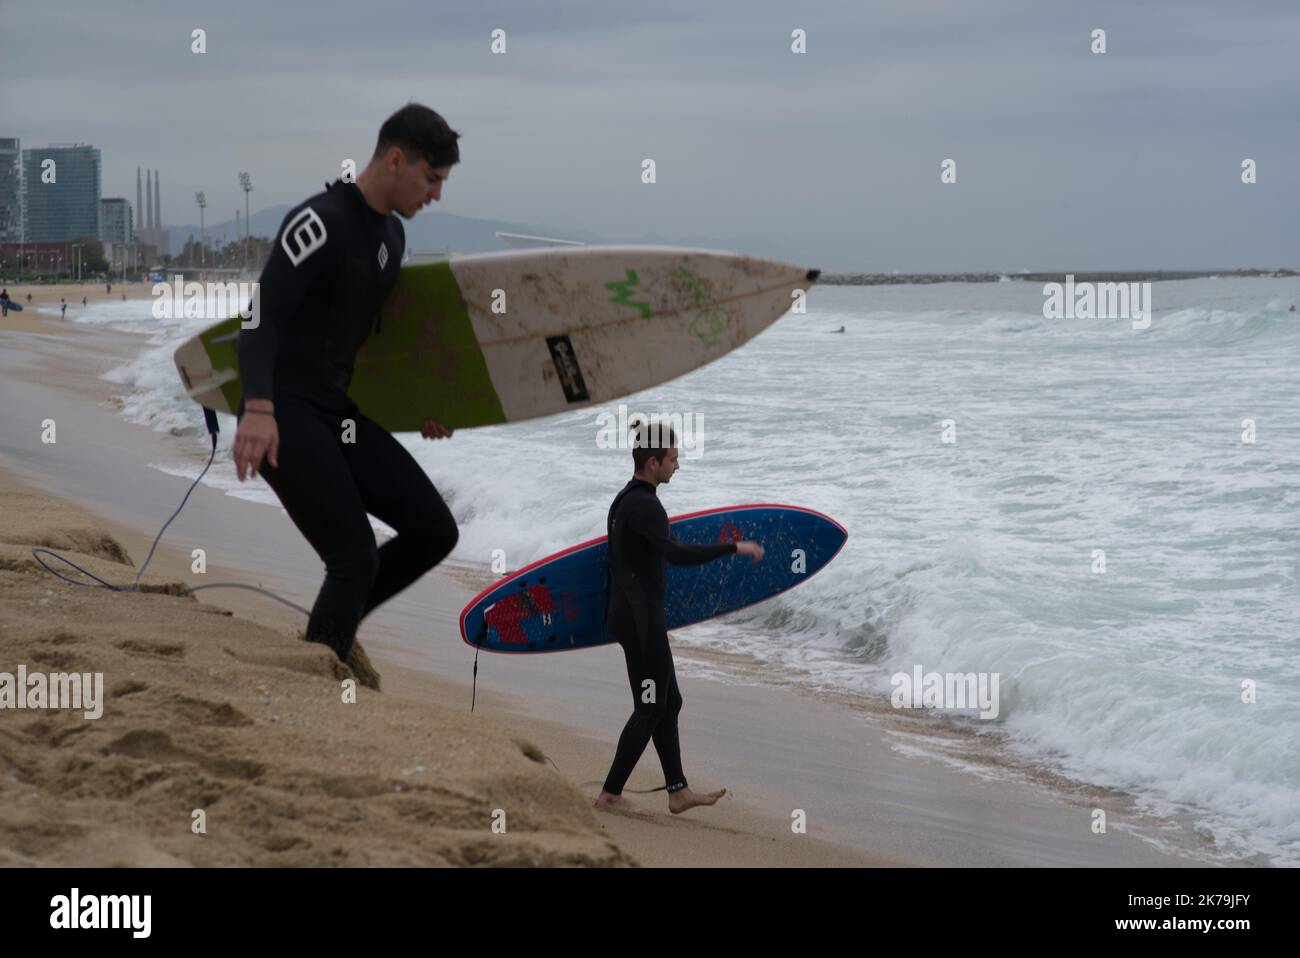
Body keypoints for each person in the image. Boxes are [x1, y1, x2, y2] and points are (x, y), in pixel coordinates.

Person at [232, 103, 461, 684]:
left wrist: (419, 409)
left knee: (435, 529)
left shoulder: (392, 237)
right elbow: (260, 317)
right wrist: (258, 409)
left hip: (336, 412)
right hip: (283, 409)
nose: (435, 194)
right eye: (430, 178)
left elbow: (371, 353)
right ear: (394, 158)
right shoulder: (319, 221)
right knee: (354, 558)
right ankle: (322, 670)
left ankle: (328, 638)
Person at [594, 418, 765, 816]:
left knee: (668, 702)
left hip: (633, 617)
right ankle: (610, 795)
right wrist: (733, 548)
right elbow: (677, 554)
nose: (678, 465)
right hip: (642, 623)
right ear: (652, 461)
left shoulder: (624, 500)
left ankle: (677, 790)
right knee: (651, 706)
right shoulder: (646, 506)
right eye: (673, 458)